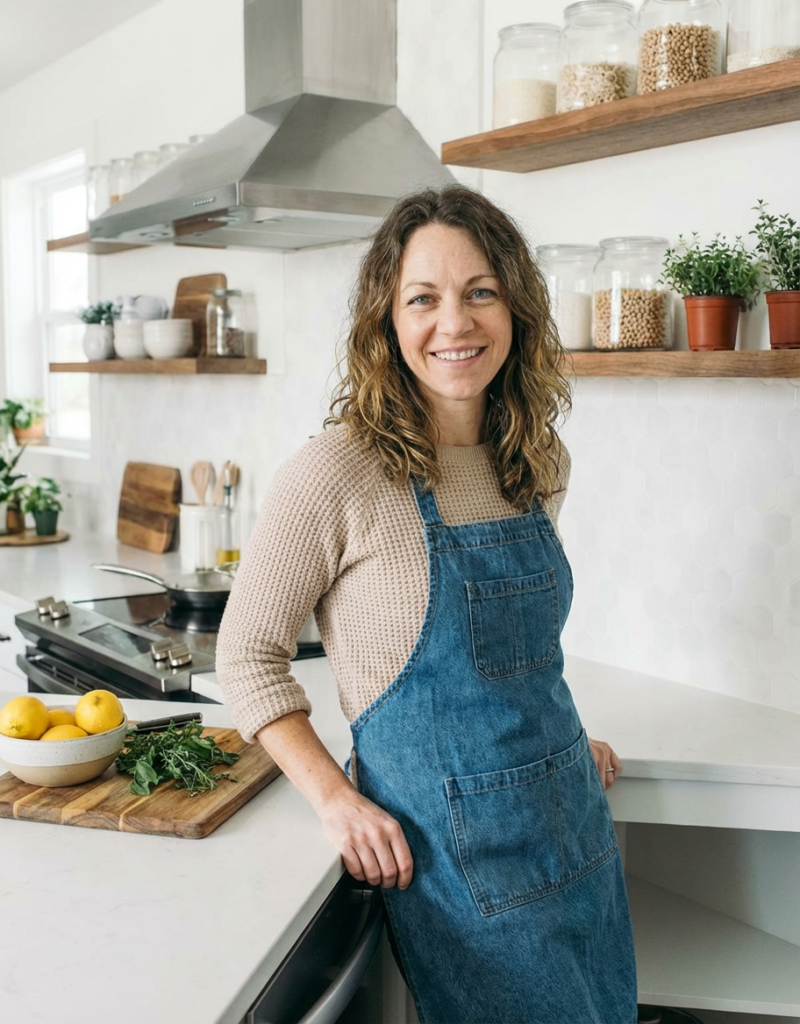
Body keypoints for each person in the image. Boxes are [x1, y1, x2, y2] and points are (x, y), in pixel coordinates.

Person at [216, 184, 638, 1024]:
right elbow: (246, 656)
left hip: (572, 826)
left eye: (481, 291)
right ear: (387, 320)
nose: (456, 324)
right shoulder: (336, 471)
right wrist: (335, 798)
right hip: (454, 868)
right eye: (424, 298)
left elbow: (516, 652)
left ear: (516, 308)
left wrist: (555, 740)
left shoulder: (535, 457)